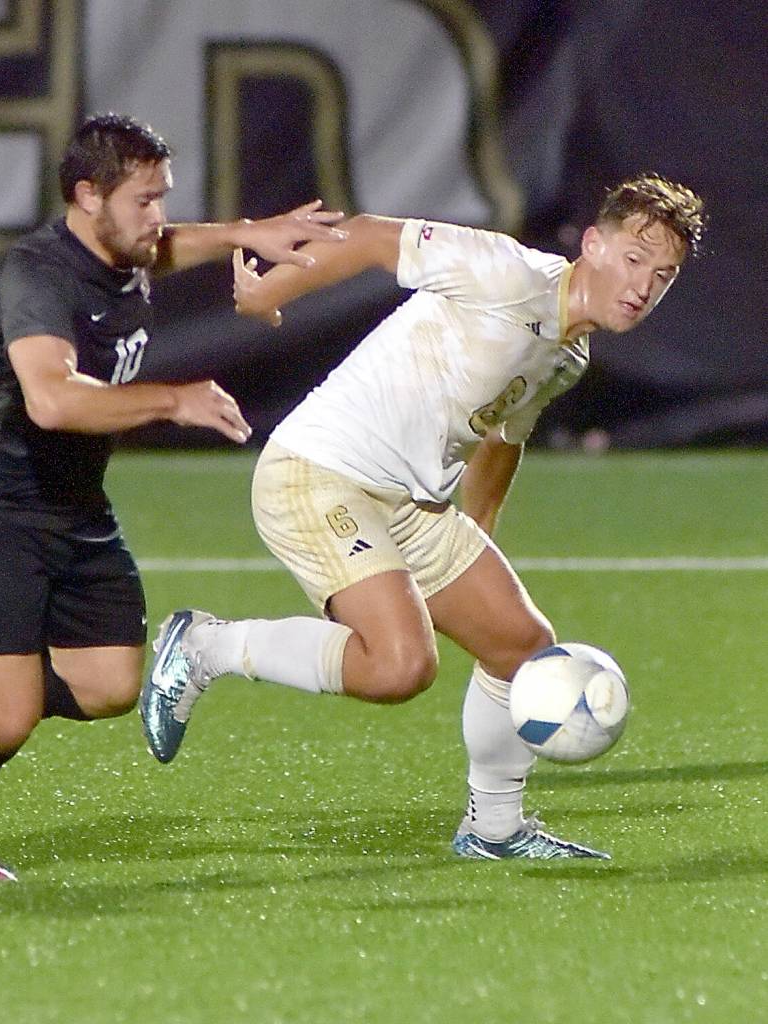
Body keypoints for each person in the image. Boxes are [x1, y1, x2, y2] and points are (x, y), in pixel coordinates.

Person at [140, 173, 705, 860]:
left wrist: (478, 536)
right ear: (593, 244)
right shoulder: (507, 272)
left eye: (664, 275)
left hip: (412, 505)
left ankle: (494, 830)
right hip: (321, 471)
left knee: (520, 644)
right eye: (633, 258)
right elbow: (376, 238)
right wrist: (272, 291)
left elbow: (501, 440)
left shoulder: (570, 353)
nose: (643, 284)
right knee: (401, 666)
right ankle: (207, 647)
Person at [0, 112, 347, 882]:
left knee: (111, 683)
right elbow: (50, 399)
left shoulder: (126, 248)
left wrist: (255, 231)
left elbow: (167, 249)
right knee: (6, 714)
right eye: (144, 199)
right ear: (87, 196)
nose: (159, 217)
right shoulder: (39, 274)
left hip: (75, 505)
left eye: (163, 197)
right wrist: (171, 400)